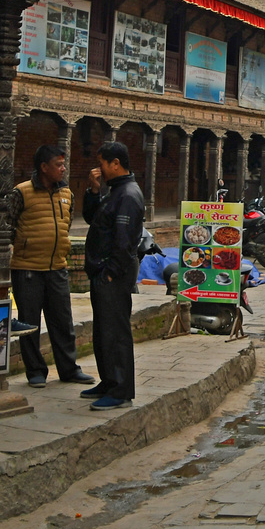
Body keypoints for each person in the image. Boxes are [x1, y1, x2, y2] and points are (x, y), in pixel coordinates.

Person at [12, 144, 94, 389]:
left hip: (57, 266)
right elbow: (8, 225)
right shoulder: (22, 192)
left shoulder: (66, 193)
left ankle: (69, 369)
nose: (63, 168)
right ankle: (35, 371)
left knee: (63, 321)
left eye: (63, 164)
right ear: (43, 167)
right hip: (27, 267)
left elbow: (65, 224)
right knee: (29, 323)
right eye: (58, 165)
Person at [81, 141, 144, 411]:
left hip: (113, 275)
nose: (100, 169)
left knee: (116, 332)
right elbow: (93, 219)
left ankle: (120, 389)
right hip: (102, 272)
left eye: (103, 163)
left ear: (115, 163)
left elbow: (124, 241)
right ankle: (108, 380)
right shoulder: (114, 191)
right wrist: (94, 191)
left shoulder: (128, 195)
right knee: (103, 331)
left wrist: (110, 273)